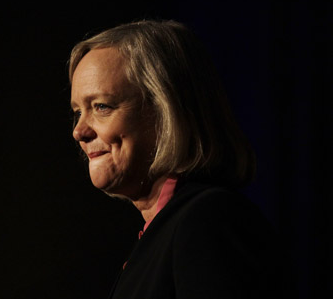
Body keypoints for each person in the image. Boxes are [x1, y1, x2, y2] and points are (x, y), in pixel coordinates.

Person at [69, 20, 292, 299]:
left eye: (101, 106)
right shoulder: (164, 230)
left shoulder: (209, 220)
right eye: (78, 111)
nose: (79, 131)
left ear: (165, 110)